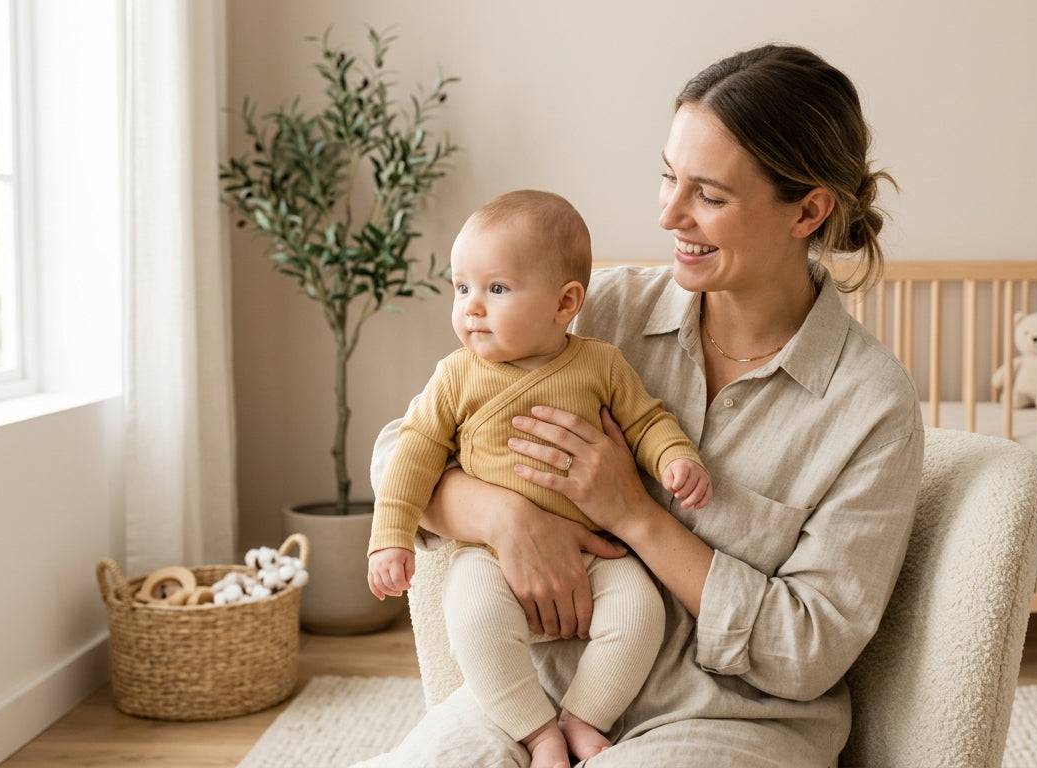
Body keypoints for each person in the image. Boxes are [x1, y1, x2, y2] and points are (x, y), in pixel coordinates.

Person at [361, 43, 923, 767]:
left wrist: (635, 514)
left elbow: (807, 649)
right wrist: (504, 518)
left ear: (807, 211)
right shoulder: (597, 310)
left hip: (727, 720)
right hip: (537, 700)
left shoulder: (870, 407)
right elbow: (398, 451)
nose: (669, 215)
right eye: (668, 177)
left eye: (709, 196)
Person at [367, 189, 713, 767]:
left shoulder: (600, 363)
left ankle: (584, 716)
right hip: (488, 556)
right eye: (461, 288)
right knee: (473, 617)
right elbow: (412, 455)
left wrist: (675, 458)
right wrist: (390, 538)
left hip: (598, 550)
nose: (472, 308)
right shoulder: (456, 376)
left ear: (565, 302)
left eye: (496, 289)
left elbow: (647, 420)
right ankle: (535, 731)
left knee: (640, 612)